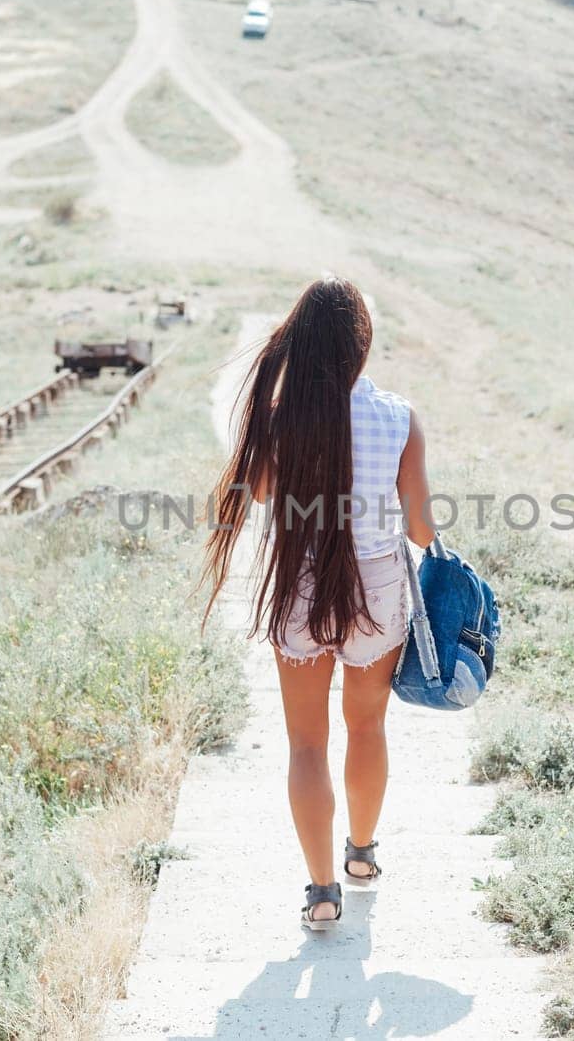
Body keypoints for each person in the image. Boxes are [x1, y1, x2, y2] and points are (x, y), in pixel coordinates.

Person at [202, 276, 435, 930]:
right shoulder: (398, 418)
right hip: (379, 590)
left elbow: (259, 495)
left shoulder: (276, 418)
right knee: (368, 727)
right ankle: (361, 856)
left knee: (306, 744)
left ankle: (322, 891)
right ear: (361, 344)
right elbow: (420, 530)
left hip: (299, 587)